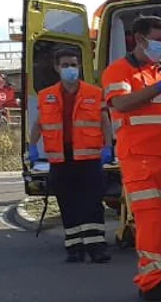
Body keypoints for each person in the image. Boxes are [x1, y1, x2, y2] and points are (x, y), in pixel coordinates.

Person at [102, 15, 161, 301]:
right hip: (140, 157)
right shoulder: (119, 71)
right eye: (159, 40)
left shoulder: (159, 75)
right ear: (140, 39)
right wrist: (157, 89)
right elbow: (122, 103)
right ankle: (152, 283)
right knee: (152, 221)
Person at [31, 47, 112, 263]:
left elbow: (105, 122)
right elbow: (38, 125)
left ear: (80, 67)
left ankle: (96, 247)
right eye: (65, 65)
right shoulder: (46, 95)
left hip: (88, 157)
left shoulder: (94, 93)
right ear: (57, 67)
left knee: (92, 203)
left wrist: (108, 146)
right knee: (67, 202)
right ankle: (74, 247)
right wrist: (31, 147)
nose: (70, 69)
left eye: (73, 65)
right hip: (61, 158)